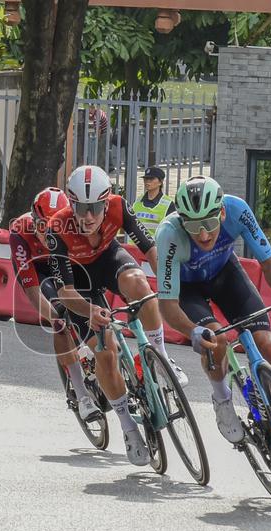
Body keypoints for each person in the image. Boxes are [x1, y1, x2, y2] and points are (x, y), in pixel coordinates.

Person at [154, 175, 271, 463]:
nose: (204, 235)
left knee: (267, 346)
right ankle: (222, 400)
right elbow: (167, 304)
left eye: (209, 224)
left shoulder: (236, 210)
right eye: (194, 227)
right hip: (188, 289)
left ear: (222, 213)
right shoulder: (169, 235)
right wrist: (192, 330)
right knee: (216, 338)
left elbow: (269, 261)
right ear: (182, 221)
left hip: (225, 274)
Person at [46, 165, 188, 466]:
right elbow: (65, 293)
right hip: (79, 283)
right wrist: (92, 311)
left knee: (141, 285)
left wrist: (167, 286)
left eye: (95, 208)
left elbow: (149, 249)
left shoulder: (119, 207)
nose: (88, 216)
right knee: (106, 354)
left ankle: (160, 357)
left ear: (106, 201)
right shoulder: (57, 228)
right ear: (72, 204)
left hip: (109, 260)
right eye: (81, 208)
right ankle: (128, 427)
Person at [8, 187, 99, 421]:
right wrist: (55, 317)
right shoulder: (20, 232)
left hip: (66, 265)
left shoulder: (75, 226)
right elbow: (32, 293)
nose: (47, 235)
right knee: (59, 319)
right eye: (41, 227)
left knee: (90, 307)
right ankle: (82, 395)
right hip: (40, 271)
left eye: (54, 229)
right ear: (33, 220)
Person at [132, 167, 175, 237]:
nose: (147, 181)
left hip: (155, 246)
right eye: (145, 179)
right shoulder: (137, 201)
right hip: (133, 246)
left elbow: (172, 230)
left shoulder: (168, 204)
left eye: (151, 179)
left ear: (160, 182)